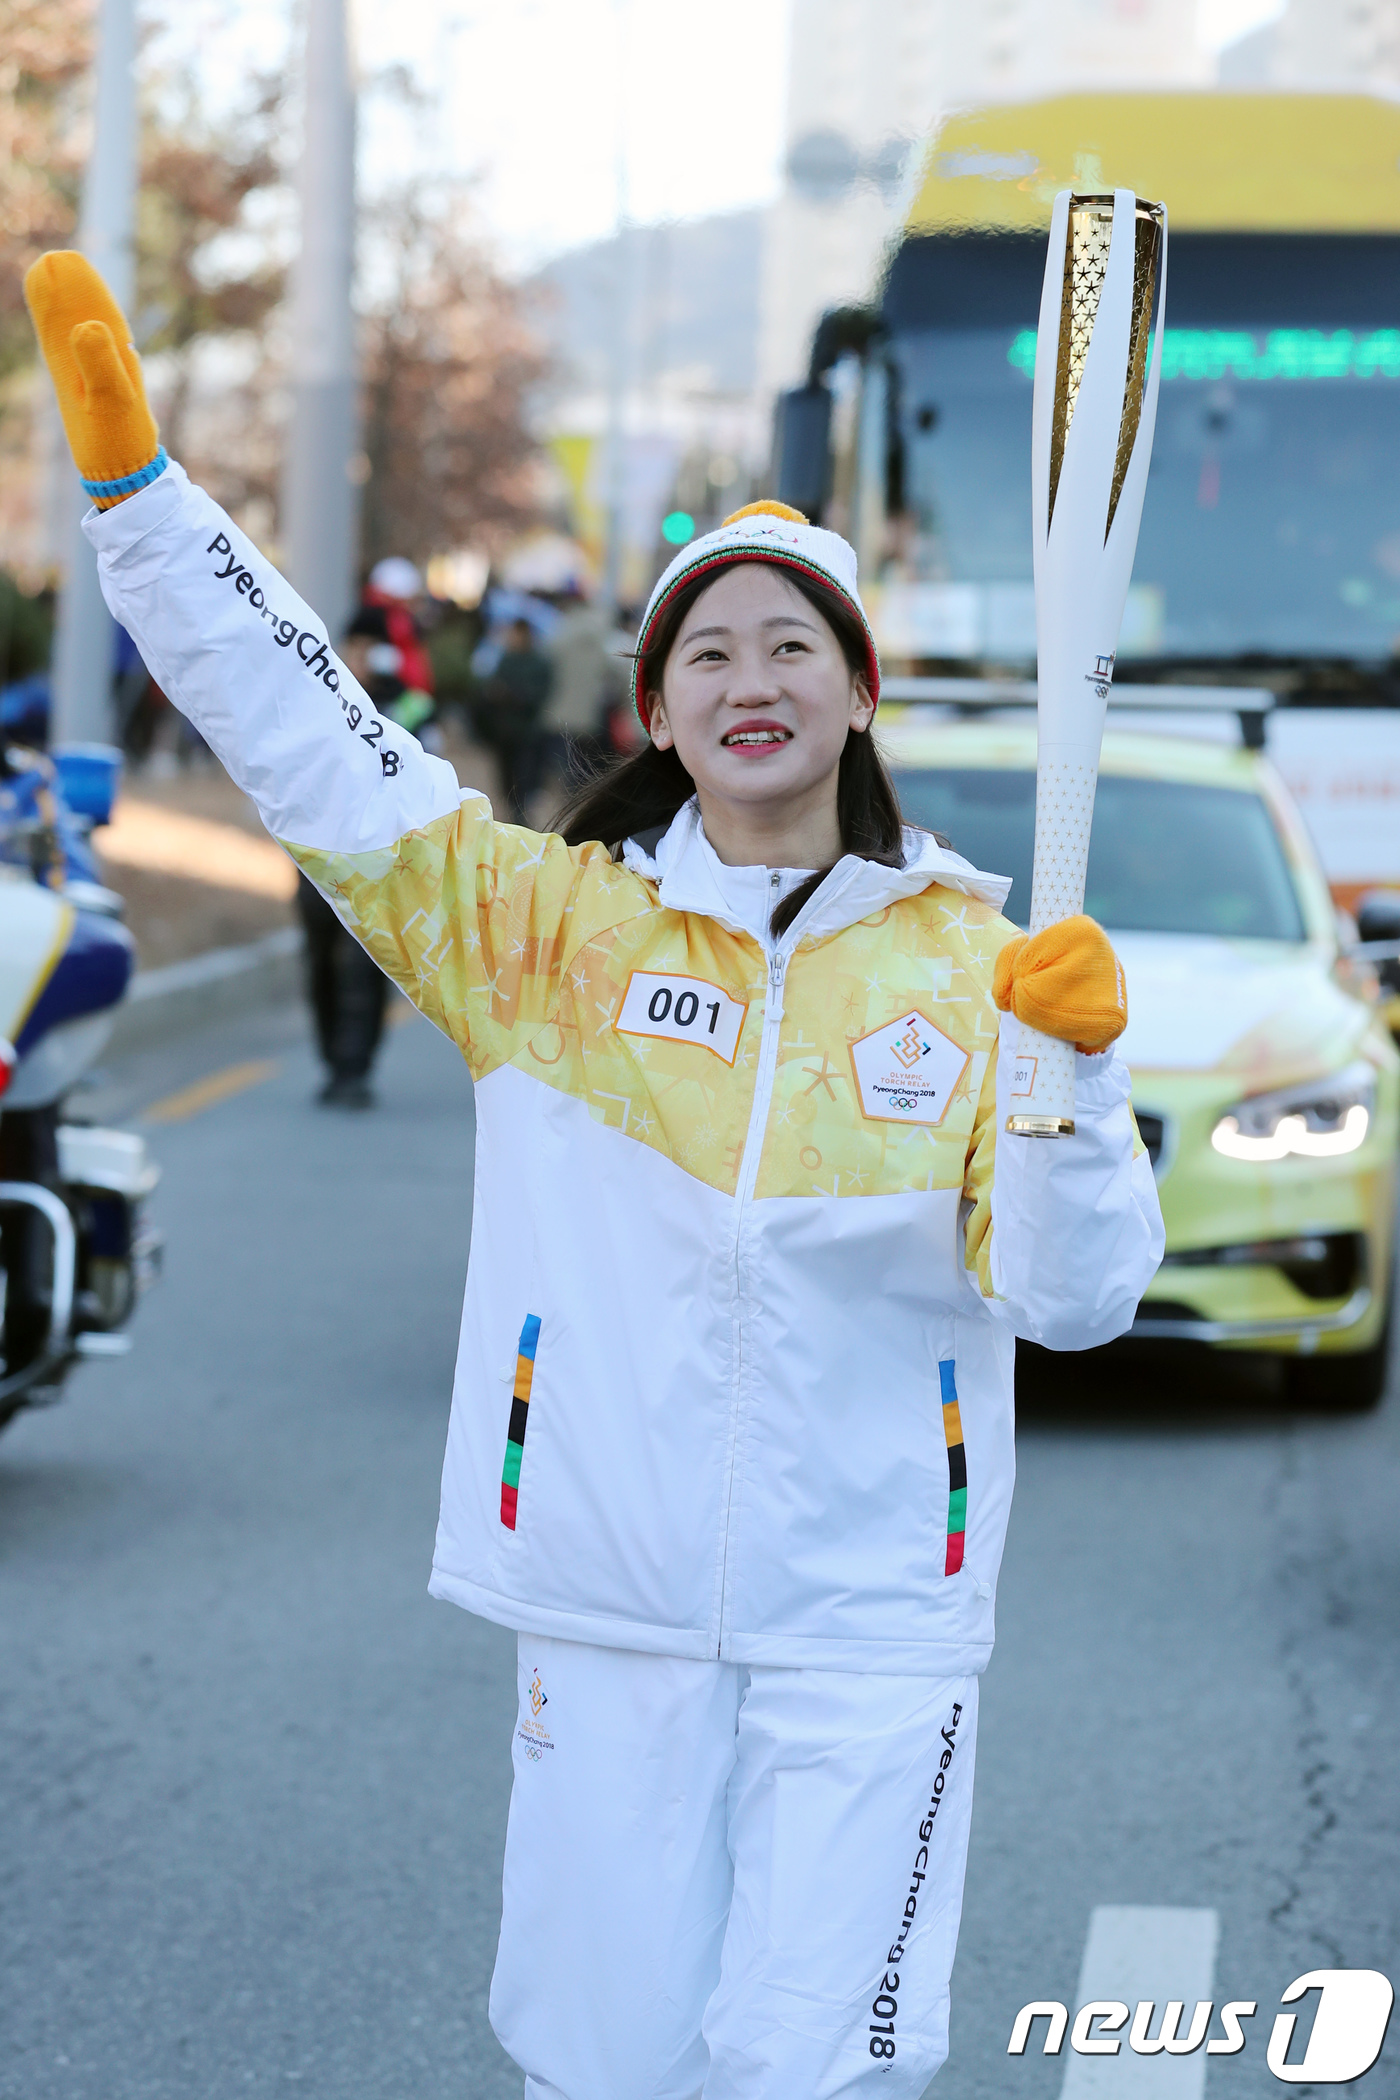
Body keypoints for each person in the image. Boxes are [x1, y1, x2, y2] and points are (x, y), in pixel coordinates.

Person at [27, 252, 1164, 2100]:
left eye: (794, 642)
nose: (751, 678)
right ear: (656, 711)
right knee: (606, 2064)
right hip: (607, 1614)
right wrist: (150, 514)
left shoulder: (981, 971)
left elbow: (1071, 1299)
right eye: (707, 650)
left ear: (860, 692)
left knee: (814, 2069)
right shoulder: (542, 942)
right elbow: (318, 746)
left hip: (871, 1624)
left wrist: (1078, 1088)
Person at [471, 615, 552, 821]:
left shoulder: (538, 663)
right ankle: (512, 808)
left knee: (524, 775)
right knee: (505, 775)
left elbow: (537, 695)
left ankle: (520, 812)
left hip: (527, 732)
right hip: (504, 730)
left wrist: (512, 695)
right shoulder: (507, 659)